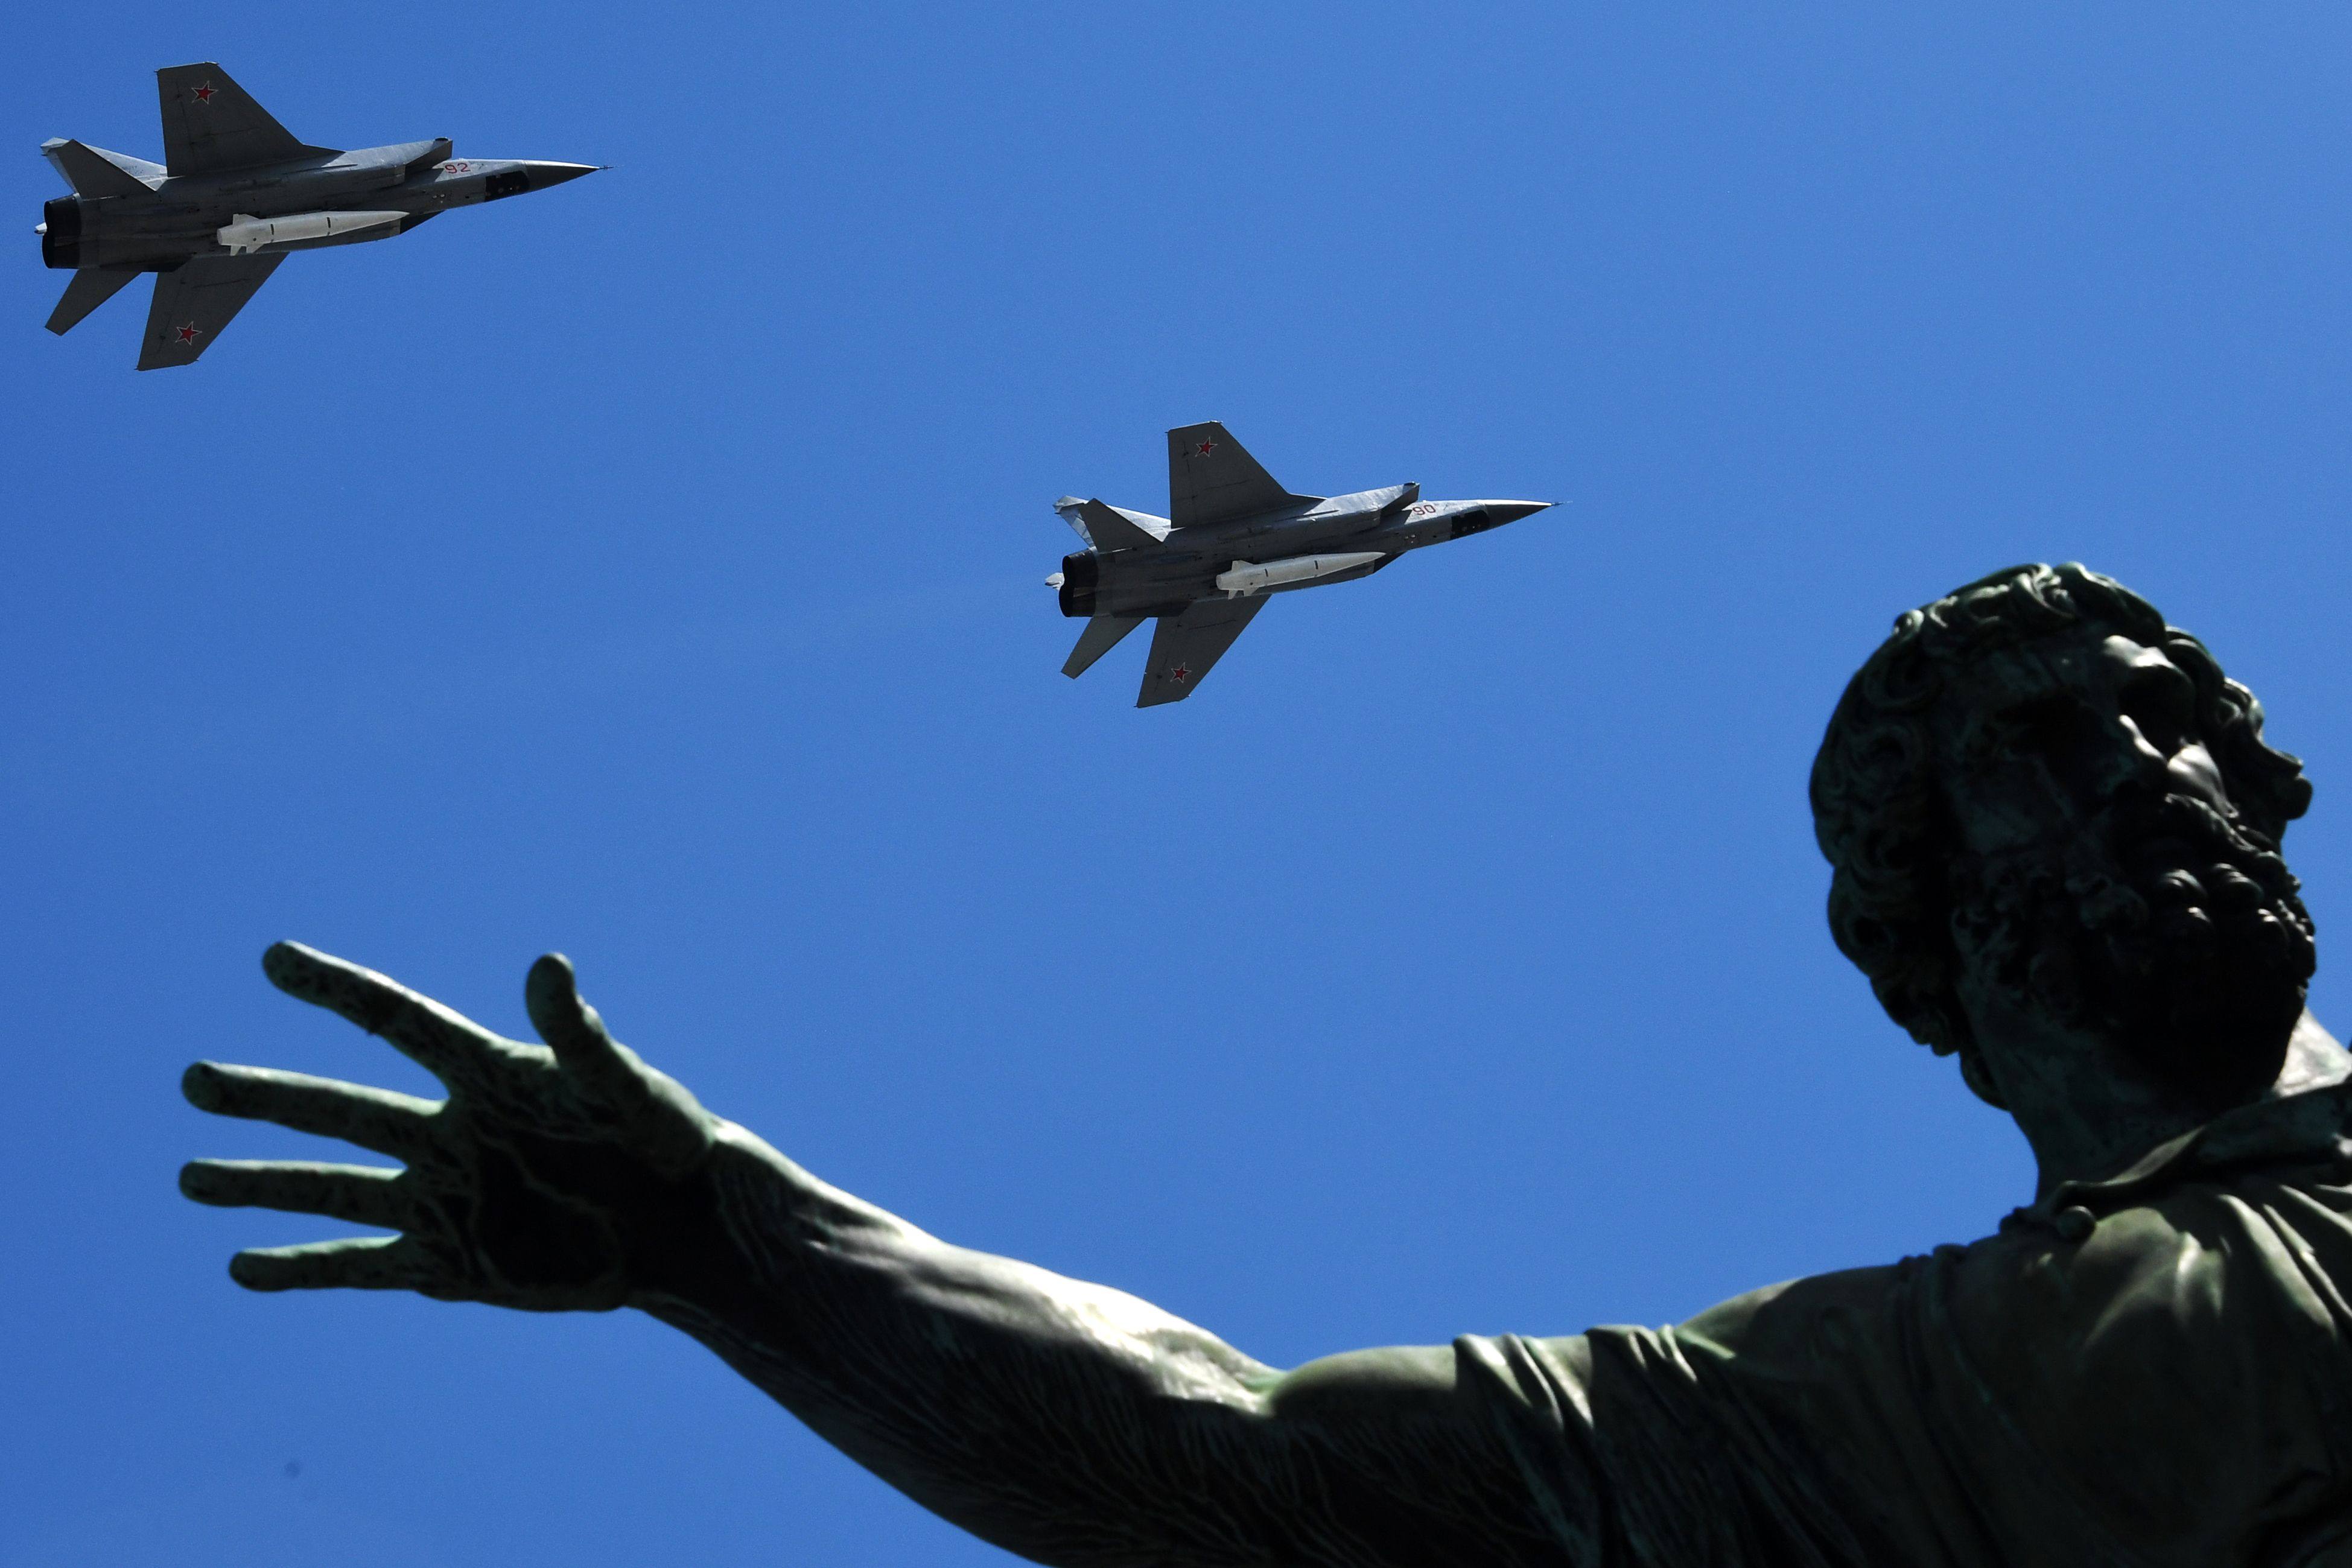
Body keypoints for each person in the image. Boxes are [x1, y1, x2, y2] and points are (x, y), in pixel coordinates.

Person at [182, 563, 2352, 1566]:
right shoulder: (1897, 1408)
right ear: (1933, 938)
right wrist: (726, 1243)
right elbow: (1241, 1463)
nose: (2149, 769)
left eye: (2174, 718)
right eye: (2040, 750)